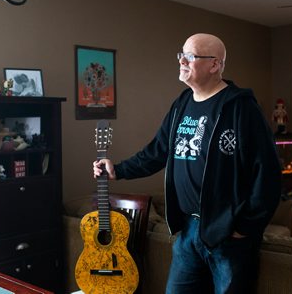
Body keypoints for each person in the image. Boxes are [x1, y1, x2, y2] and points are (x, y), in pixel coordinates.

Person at [93, 33, 282, 293]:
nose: (182, 60)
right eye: (181, 54)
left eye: (190, 56)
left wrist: (245, 227)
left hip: (228, 234)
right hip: (188, 232)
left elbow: (268, 173)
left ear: (215, 64)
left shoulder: (241, 108)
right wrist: (119, 169)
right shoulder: (182, 103)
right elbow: (157, 151)